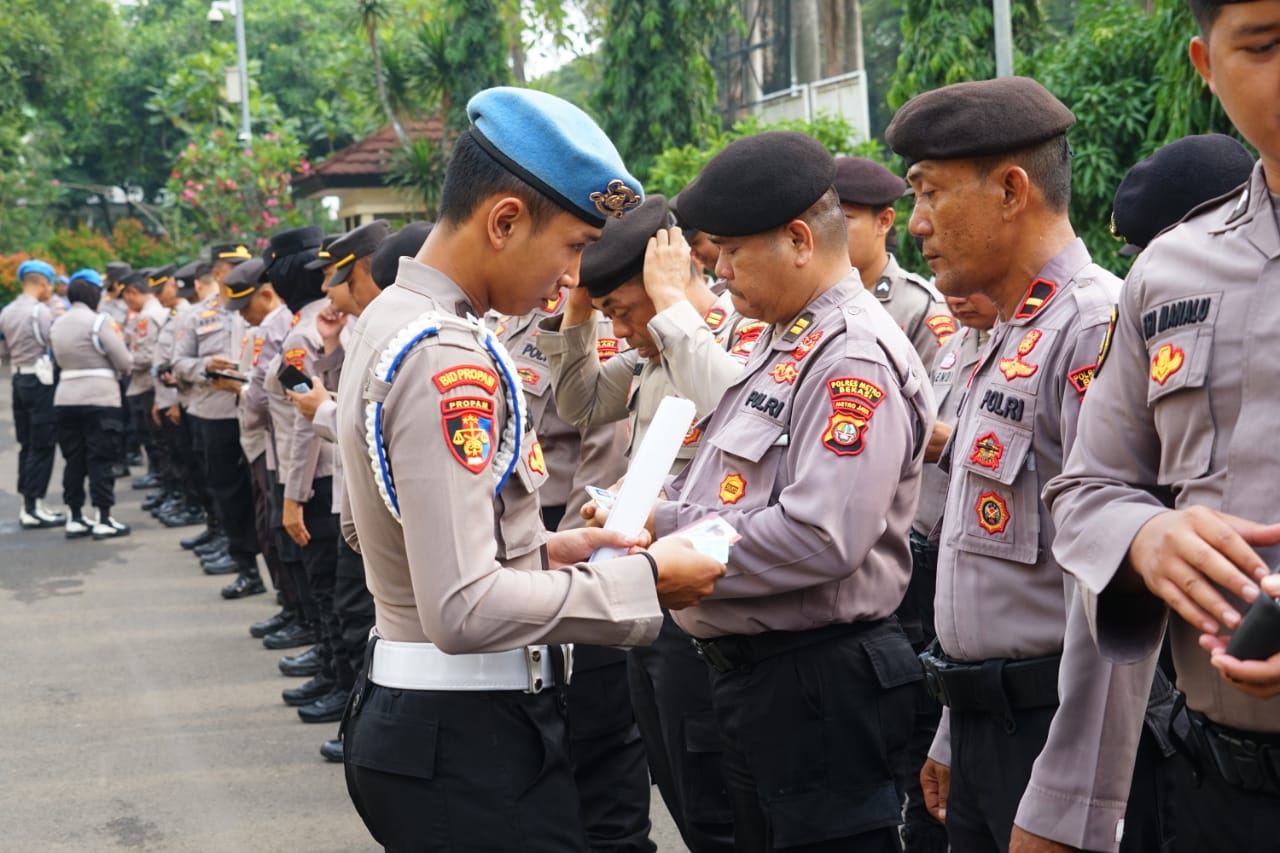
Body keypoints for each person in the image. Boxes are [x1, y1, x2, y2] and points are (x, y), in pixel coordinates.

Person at [334, 86, 725, 852]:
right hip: (467, 738)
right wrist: (645, 583)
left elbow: (410, 533)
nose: (573, 280)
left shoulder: (395, 322)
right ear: (505, 220)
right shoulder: (447, 357)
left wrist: (548, 551)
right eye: (576, 247)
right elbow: (463, 608)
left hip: (439, 724)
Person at [638, 130, 933, 853]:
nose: (722, 272)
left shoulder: (848, 353)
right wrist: (652, 518)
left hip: (819, 687)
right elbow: (734, 496)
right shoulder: (782, 339)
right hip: (767, 684)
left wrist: (674, 551)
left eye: (733, 252)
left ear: (800, 239)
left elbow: (820, 533)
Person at [885, 76, 1157, 853]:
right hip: (986, 729)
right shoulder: (1007, 334)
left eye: (931, 193)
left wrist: (1071, 800)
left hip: (1053, 736)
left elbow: (1110, 596)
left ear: (1011, 189)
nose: (918, 224)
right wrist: (951, 728)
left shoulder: (1092, 326)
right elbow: (986, 573)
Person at [1044, 2, 1280, 848]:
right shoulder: (1169, 270)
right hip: (1214, 789)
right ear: (1206, 65)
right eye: (1267, 43)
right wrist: (1145, 539)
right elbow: (1087, 487)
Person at [540, 194, 744, 853]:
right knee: (674, 777)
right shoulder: (653, 352)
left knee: (718, 797)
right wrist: (580, 309)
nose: (622, 331)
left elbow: (732, 414)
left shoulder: (731, 336)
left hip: (709, 598)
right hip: (647, 588)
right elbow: (578, 400)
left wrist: (672, 306)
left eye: (623, 313)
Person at [833, 156, 956, 365]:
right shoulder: (811, 299)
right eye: (823, 221)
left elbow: (937, 393)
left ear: (884, 221)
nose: (828, 233)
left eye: (843, 220)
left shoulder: (918, 308)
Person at [49, 273, 132, 539]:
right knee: (101, 457)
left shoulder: (57, 323)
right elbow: (124, 361)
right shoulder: (100, 322)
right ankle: (103, 517)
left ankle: (75, 516)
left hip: (65, 398)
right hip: (100, 398)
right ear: (94, 296)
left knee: (74, 458)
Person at [0, 259, 64, 529]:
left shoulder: (6, 311)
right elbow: (54, 345)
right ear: (41, 282)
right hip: (40, 379)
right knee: (43, 444)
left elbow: (2, 351)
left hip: (18, 378)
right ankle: (34, 506)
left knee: (27, 444)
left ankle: (30, 503)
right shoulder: (40, 312)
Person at [120, 266, 172, 491]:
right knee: (158, 439)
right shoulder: (157, 312)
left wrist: (123, 360)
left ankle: (162, 479)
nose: (126, 304)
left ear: (132, 292)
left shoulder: (147, 316)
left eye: (126, 298)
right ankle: (162, 479)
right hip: (153, 383)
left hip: (148, 383)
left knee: (156, 439)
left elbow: (146, 355)